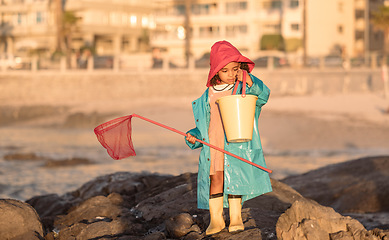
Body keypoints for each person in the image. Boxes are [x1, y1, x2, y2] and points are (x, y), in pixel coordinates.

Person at [185, 40, 272, 235]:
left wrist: (250, 81)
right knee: (216, 179)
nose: (231, 74)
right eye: (225, 71)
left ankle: (236, 218)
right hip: (213, 143)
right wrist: (194, 135)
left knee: (236, 179)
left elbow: (263, 96)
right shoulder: (207, 96)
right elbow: (205, 125)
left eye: (235, 69)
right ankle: (216, 221)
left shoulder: (242, 89)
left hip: (235, 142)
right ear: (216, 71)